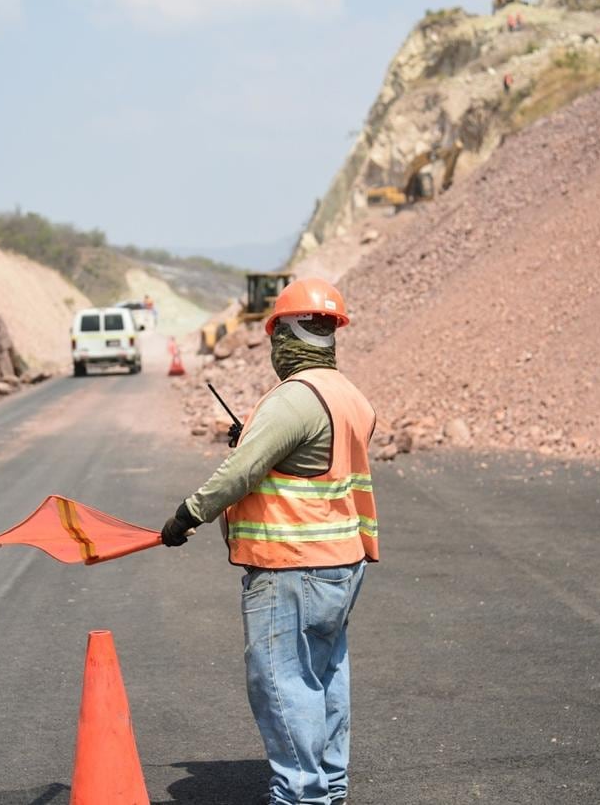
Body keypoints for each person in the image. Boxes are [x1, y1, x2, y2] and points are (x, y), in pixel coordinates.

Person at [161, 277, 379, 805]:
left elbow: (241, 472)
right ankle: (330, 787)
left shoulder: (295, 399)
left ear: (284, 334)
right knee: (324, 678)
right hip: (341, 562)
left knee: (282, 684)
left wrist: (187, 515)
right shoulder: (350, 395)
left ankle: (302, 795)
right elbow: (308, 463)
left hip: (293, 565)